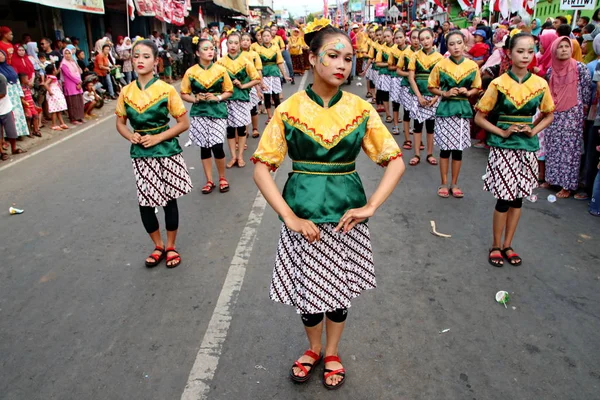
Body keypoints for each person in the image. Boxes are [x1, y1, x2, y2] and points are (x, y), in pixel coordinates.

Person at [251, 20, 405, 390]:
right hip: (302, 216)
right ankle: (314, 348)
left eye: (348, 58)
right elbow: (261, 167)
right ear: (313, 58)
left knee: (337, 292)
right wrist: (287, 216)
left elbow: (394, 161)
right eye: (333, 56)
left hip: (344, 217)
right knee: (308, 293)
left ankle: (332, 351)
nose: (341, 64)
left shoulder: (361, 108)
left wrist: (371, 207)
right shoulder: (288, 109)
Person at [474, 32, 555, 267]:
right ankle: (496, 245)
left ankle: (509, 244)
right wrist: (503, 132)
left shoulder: (540, 83)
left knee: (518, 200)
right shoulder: (499, 83)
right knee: (503, 199)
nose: (526, 56)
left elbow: (549, 113)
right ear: (509, 53)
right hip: (503, 148)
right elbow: (480, 117)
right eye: (520, 51)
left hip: (527, 148)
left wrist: (533, 130)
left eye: (531, 51)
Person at [116, 39, 192, 269]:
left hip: (166, 150)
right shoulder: (126, 92)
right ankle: (157, 245)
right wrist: (131, 136)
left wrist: (158, 137)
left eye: (146, 56)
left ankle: (170, 246)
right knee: (146, 202)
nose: (139, 60)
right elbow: (120, 123)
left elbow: (183, 123)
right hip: (141, 154)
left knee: (169, 200)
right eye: (136, 55)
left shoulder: (166, 90)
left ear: (156, 61)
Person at [428, 30, 482, 198]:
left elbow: (477, 87)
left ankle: (455, 183)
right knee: (445, 149)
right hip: (445, 110)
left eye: (459, 43)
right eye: (451, 44)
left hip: (462, 111)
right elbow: (431, 86)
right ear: (447, 47)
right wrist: (444, 93)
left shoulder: (472, 65)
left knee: (458, 150)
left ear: (465, 44)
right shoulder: (441, 65)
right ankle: (443, 183)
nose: (456, 47)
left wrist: (468, 91)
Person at [180, 38, 233, 194]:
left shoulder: (221, 70)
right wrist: (196, 99)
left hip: (218, 112)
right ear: (197, 52)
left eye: (212, 48)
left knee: (217, 146)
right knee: (205, 147)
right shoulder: (191, 72)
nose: (210, 51)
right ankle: (209, 180)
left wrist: (217, 98)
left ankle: (222, 177)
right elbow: (184, 93)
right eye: (206, 49)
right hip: (199, 113)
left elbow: (229, 91)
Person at [543, 36, 592, 198]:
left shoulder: (580, 68)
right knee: (553, 146)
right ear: (554, 49)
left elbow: (586, 92)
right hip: (554, 113)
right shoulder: (551, 70)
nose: (564, 49)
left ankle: (567, 186)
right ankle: (551, 179)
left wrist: (581, 113)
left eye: (567, 46)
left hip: (573, 114)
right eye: (560, 46)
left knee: (569, 150)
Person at [217, 32, 261, 168]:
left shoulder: (246, 60)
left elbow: (256, 79)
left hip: (241, 99)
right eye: (230, 43)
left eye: (236, 43)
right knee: (230, 130)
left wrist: (243, 85)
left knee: (241, 129)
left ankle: (240, 156)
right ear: (227, 44)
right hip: (227, 99)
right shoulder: (220, 62)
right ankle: (233, 157)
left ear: (240, 44)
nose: (233, 46)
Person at [407, 28, 443, 167]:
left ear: (433, 37)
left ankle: (429, 153)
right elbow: (411, 77)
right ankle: (416, 154)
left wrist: (435, 97)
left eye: (428, 38)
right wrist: (419, 96)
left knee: (430, 127)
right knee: (417, 126)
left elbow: (441, 80)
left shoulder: (440, 58)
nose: (425, 41)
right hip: (418, 95)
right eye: (422, 39)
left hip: (433, 95)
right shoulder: (415, 56)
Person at [255, 29, 291, 123]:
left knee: (276, 96)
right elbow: (258, 66)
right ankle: (269, 116)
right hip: (264, 74)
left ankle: (277, 115)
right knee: (267, 95)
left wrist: (285, 75)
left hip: (275, 73)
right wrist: (259, 79)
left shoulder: (275, 48)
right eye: (264, 36)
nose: (266, 38)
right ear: (261, 38)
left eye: (268, 36)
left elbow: (279, 62)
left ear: (271, 37)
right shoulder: (258, 50)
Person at [397, 29, 421, 151]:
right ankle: (407, 139)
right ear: (410, 39)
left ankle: (418, 139)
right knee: (407, 113)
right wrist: (409, 75)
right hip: (407, 86)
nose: (416, 40)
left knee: (419, 114)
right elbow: (398, 70)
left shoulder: (424, 54)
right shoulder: (405, 53)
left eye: (418, 38)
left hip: (421, 88)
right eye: (414, 38)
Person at [0, 50, 29, 138]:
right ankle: (6, 137)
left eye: (2, 55)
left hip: (15, 94)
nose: (1, 56)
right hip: (5, 94)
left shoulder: (10, 68)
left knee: (17, 113)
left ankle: (18, 133)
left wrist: (21, 95)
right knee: (7, 114)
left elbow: (17, 82)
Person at [240, 32, 263, 138]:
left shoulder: (254, 55)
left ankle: (255, 128)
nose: (245, 42)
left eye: (247, 40)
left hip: (252, 85)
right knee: (242, 111)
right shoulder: (236, 55)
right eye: (243, 40)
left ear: (250, 42)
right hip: (239, 87)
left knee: (253, 109)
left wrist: (260, 88)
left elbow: (258, 72)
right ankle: (244, 132)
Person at [0, 72, 26, 158]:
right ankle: (2, 152)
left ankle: (14, 149)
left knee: (11, 131)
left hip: (5, 108)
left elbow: (3, 94)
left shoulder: (1, 78)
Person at [374, 28, 395, 123]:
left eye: (388, 36)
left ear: (392, 36)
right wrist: (388, 64)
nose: (386, 38)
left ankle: (396, 114)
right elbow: (377, 63)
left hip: (395, 75)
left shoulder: (397, 48)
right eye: (385, 36)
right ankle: (388, 114)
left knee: (395, 97)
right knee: (385, 95)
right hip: (384, 75)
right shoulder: (382, 49)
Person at [60, 48, 85, 125]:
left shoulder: (73, 62)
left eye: (69, 53)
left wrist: (79, 83)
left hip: (78, 84)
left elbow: (78, 72)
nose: (67, 55)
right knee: (72, 102)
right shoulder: (63, 64)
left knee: (79, 101)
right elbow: (69, 75)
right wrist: (78, 81)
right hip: (70, 85)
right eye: (66, 53)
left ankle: (80, 117)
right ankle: (73, 119)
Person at [388, 29, 406, 135]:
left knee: (407, 105)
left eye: (400, 37)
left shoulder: (410, 51)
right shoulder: (393, 51)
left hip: (407, 80)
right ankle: (395, 125)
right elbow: (390, 66)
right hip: (395, 78)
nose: (399, 40)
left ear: (405, 37)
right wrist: (399, 67)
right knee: (396, 103)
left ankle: (406, 127)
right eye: (397, 38)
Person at [43, 63, 69, 130]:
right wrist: (50, 91)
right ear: (52, 71)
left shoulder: (48, 76)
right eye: (54, 69)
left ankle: (61, 123)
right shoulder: (52, 77)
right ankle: (53, 124)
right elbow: (45, 84)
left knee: (58, 109)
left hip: (55, 93)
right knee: (54, 110)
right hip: (54, 93)